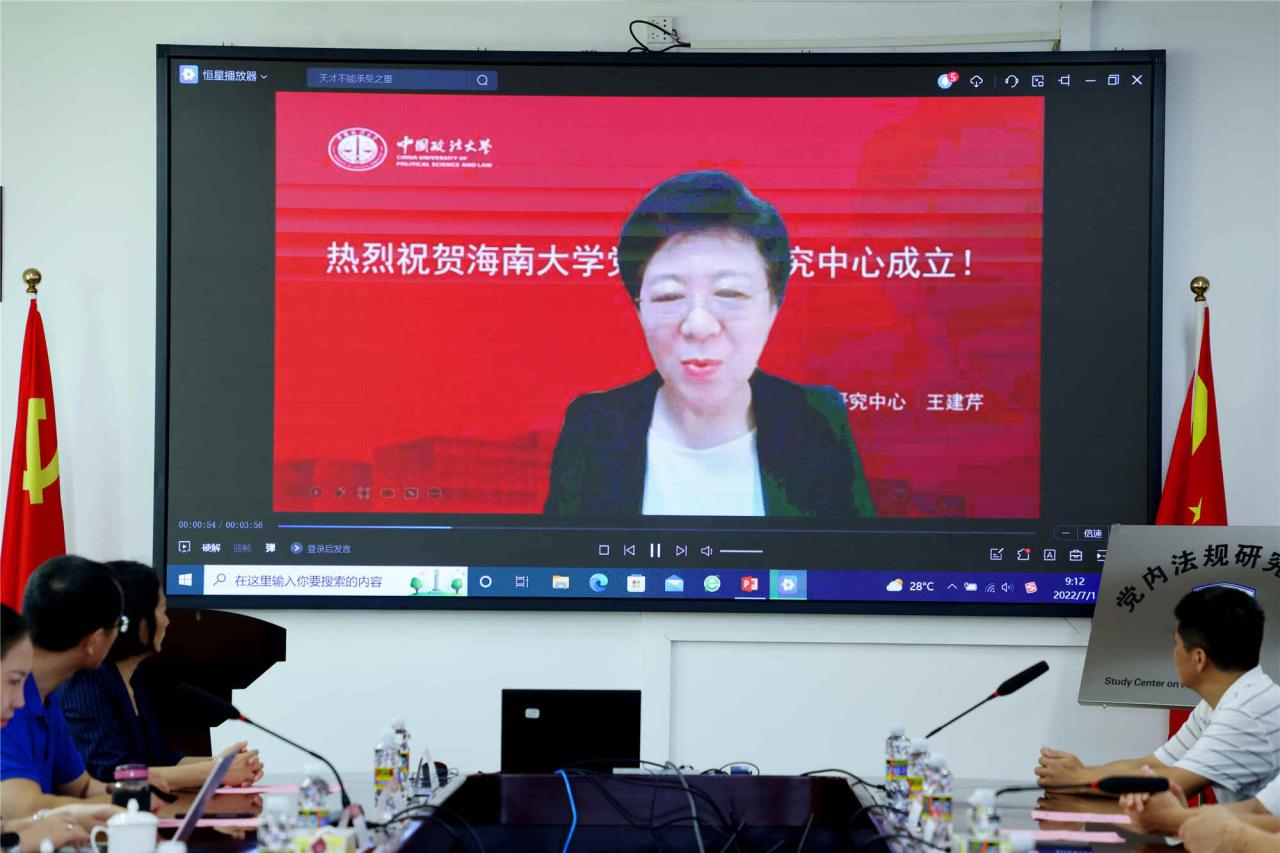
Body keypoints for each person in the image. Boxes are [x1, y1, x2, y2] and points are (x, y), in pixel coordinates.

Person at [545, 170, 876, 518]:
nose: (699, 325)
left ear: (772, 308)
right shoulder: (594, 426)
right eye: (669, 296)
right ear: (639, 310)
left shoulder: (816, 420)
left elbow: (854, 551)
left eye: (730, 293)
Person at [1037, 586, 1278, 801]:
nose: (1174, 654)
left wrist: (1075, 779)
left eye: (1176, 644)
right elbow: (1151, 765)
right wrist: (1080, 772)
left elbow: (1172, 785)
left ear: (1198, 658)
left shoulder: (1246, 712)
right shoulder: (1221, 702)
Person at [58, 561, 264, 790]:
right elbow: (113, 774)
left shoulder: (135, 679)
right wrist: (215, 771)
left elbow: (164, 759)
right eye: (161, 609)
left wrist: (224, 763)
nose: (167, 621)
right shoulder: (84, 683)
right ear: (136, 619)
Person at [0, 556, 125, 819]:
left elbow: (81, 787)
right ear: (94, 640)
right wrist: (131, 805)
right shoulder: (7, 704)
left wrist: (130, 792)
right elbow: (24, 810)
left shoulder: (44, 695)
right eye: (119, 625)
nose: (19, 699)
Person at [1119, 766, 1280, 836]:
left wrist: (1177, 819)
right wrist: (1182, 816)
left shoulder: (1253, 712)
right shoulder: (1211, 711)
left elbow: (1261, 812)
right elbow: (1257, 808)